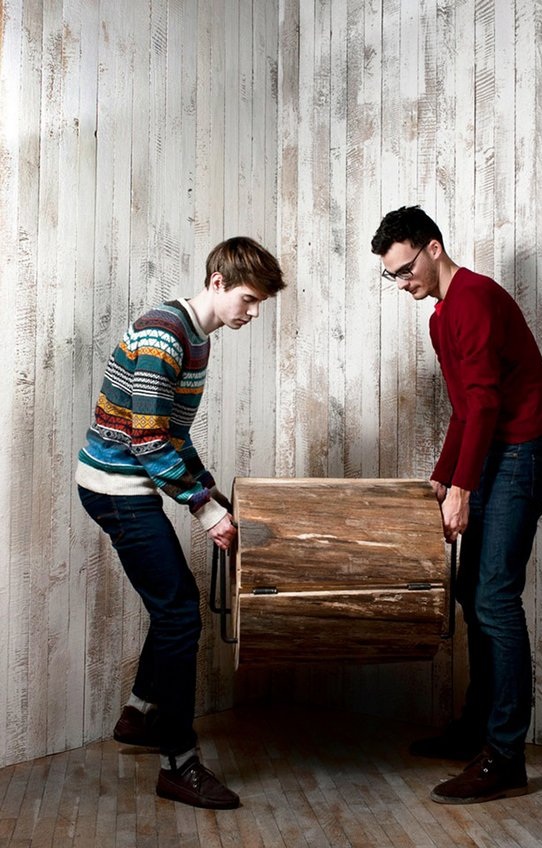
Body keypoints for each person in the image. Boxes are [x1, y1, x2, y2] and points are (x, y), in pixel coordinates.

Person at [76, 236, 285, 809]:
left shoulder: (198, 337)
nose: (253, 312)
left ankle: (140, 715)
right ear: (217, 282)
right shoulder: (164, 335)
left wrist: (209, 490)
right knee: (179, 615)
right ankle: (177, 763)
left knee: (174, 608)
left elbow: (173, 434)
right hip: (115, 487)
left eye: (261, 303)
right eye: (248, 299)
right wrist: (204, 508)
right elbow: (146, 440)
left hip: (131, 481)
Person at [371, 206, 542, 804]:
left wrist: (463, 488)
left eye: (405, 269)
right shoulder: (441, 317)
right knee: (472, 590)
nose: (401, 283)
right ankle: (478, 730)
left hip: (523, 454)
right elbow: (463, 410)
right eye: (391, 276)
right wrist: (442, 476)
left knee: (495, 597)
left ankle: (505, 756)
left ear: (433, 247)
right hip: (497, 454)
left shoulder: (475, 298)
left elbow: (485, 403)